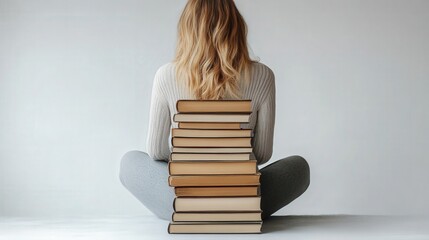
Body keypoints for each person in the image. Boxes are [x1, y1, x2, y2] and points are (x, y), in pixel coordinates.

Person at [119, 0, 310, 221]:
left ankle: (194, 211)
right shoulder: (263, 75)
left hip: (181, 201)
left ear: (187, 28)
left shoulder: (166, 75)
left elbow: (156, 151)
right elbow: (262, 154)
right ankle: (230, 212)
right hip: (244, 201)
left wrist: (192, 162)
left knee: (129, 161)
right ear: (237, 27)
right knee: (300, 167)